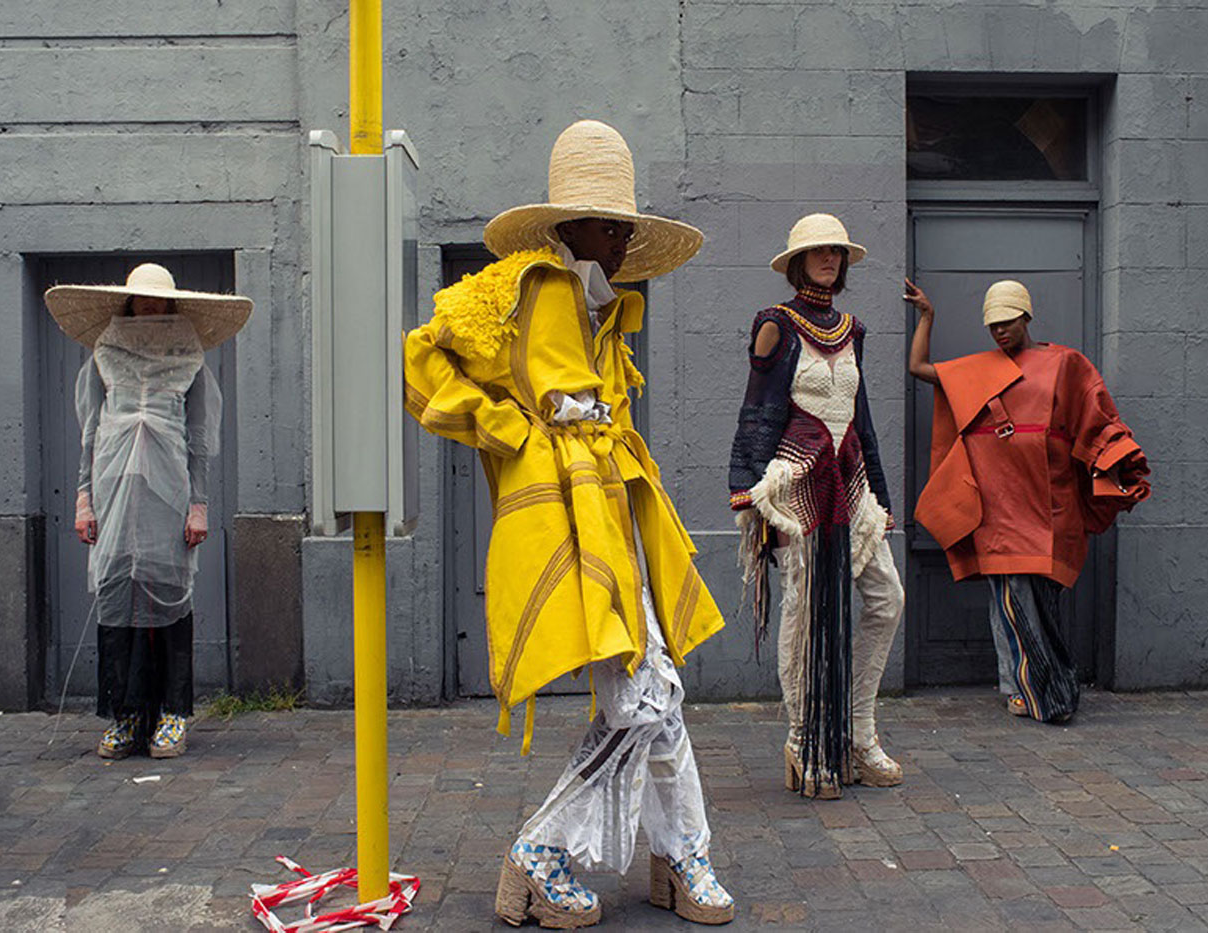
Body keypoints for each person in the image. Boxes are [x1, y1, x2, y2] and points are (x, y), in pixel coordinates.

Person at [404, 120, 734, 927]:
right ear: (567, 226)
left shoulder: (598, 308)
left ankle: (678, 854)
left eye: (625, 226)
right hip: (564, 520)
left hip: (610, 515)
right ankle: (542, 849)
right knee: (642, 700)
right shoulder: (531, 287)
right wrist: (509, 432)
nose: (618, 241)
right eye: (604, 225)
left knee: (660, 698)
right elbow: (423, 356)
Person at [905, 278, 1150, 722]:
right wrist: (928, 316)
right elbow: (919, 368)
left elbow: (1096, 419)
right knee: (1007, 600)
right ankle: (1020, 687)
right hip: (999, 505)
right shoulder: (979, 368)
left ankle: (1044, 683)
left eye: (1008, 322)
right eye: (993, 325)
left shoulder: (1065, 364)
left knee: (1040, 601)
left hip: (1051, 505)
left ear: (1026, 316)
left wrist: (1117, 461)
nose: (1000, 331)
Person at [728, 214, 905, 801]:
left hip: (849, 481)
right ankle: (805, 741)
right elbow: (757, 413)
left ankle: (857, 733)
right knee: (803, 613)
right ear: (797, 261)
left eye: (836, 250)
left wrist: (878, 491)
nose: (829, 258)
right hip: (797, 483)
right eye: (817, 251)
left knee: (886, 597)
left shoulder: (852, 330)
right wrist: (749, 491)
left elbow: (864, 418)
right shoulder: (775, 326)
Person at [44, 263, 250, 758]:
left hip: (169, 489)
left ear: (172, 304)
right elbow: (91, 433)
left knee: (169, 597)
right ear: (129, 303)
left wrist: (198, 506)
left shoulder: (190, 360)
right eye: (142, 299)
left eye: (159, 299)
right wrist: (83, 499)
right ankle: (126, 715)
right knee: (117, 596)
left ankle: (174, 714)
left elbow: (198, 439)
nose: (150, 307)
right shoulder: (103, 357)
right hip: (113, 487)